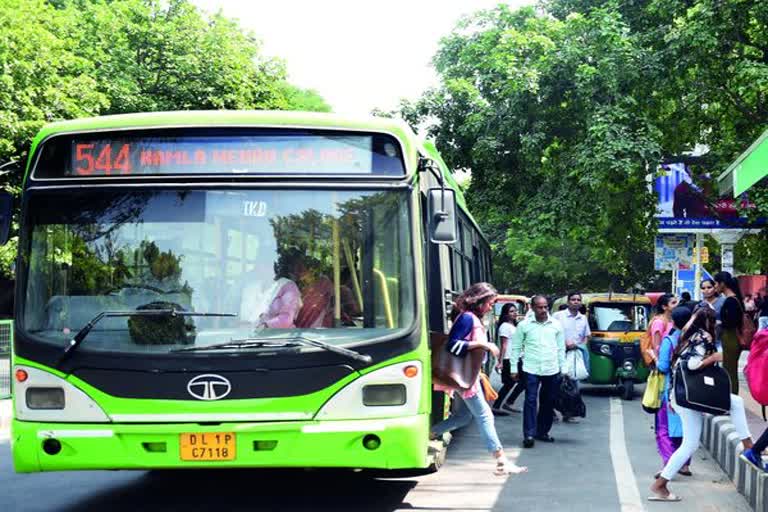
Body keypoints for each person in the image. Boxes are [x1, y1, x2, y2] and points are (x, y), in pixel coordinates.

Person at [649, 306, 755, 502]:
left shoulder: (686, 336)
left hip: (683, 395)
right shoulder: (702, 336)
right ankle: (748, 445)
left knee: (691, 443)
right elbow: (691, 365)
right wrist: (713, 358)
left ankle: (660, 485)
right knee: (735, 404)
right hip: (690, 397)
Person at [431, 283, 527, 476]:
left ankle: (429, 434)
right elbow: (453, 345)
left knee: (463, 416)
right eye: (490, 303)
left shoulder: (468, 316)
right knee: (485, 416)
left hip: (466, 376)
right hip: (466, 378)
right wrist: (484, 344)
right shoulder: (467, 318)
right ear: (479, 301)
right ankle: (501, 461)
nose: (491, 307)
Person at [510, 295, 565, 448]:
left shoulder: (556, 325)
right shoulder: (524, 325)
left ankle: (542, 432)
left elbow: (561, 348)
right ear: (533, 308)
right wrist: (514, 368)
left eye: (545, 307)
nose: (543, 310)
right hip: (531, 368)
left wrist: (564, 368)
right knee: (530, 401)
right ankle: (528, 434)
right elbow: (515, 347)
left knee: (548, 402)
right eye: (540, 307)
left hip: (551, 369)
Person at [648, 307, 693, 477]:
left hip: (671, 390)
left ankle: (669, 464)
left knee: (664, 429)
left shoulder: (670, 340)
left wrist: (655, 357)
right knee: (687, 429)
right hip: (691, 391)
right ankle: (685, 465)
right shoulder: (696, 339)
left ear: (672, 322)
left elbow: (664, 367)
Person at [553, 291, 590, 423]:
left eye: (578, 300)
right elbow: (551, 334)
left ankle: (568, 413)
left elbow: (586, 336)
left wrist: (581, 347)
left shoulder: (583, 318)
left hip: (575, 356)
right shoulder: (558, 316)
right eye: (573, 299)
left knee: (572, 386)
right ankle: (551, 410)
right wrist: (564, 344)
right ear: (568, 302)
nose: (575, 302)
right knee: (555, 384)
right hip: (559, 355)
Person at [714, 271, 744, 394]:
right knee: (730, 370)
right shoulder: (734, 299)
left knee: (729, 372)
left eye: (716, 284)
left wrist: (719, 323)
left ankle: (732, 400)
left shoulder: (730, 301)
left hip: (730, 337)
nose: (715, 286)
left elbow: (731, 322)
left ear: (722, 284)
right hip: (732, 337)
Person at [492, 303, 524, 415]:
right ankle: (500, 405)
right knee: (511, 383)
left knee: (519, 382)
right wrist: (500, 362)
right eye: (511, 311)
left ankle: (506, 403)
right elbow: (504, 345)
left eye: (515, 311)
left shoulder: (514, 326)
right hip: (509, 359)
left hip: (517, 358)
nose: (515, 313)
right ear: (505, 314)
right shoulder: (504, 326)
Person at [648, 294, 678, 361]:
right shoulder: (659, 322)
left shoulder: (673, 320)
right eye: (673, 303)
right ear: (664, 307)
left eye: (677, 302)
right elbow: (656, 347)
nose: (677, 305)